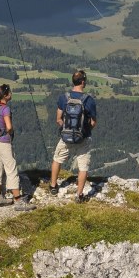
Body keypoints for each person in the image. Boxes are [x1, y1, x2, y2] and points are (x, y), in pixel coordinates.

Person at [47, 70, 97, 202]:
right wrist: (85, 131)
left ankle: (53, 186)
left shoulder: (64, 97)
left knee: (57, 159)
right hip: (83, 138)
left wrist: (67, 129)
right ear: (83, 82)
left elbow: (58, 118)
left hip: (66, 137)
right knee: (83, 167)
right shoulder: (88, 100)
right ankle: (79, 195)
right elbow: (93, 121)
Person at [0, 85, 34, 211]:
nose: (11, 94)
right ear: (6, 95)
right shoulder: (5, 108)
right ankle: (18, 201)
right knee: (11, 170)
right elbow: (9, 126)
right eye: (10, 92)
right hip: (3, 142)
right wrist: (8, 132)